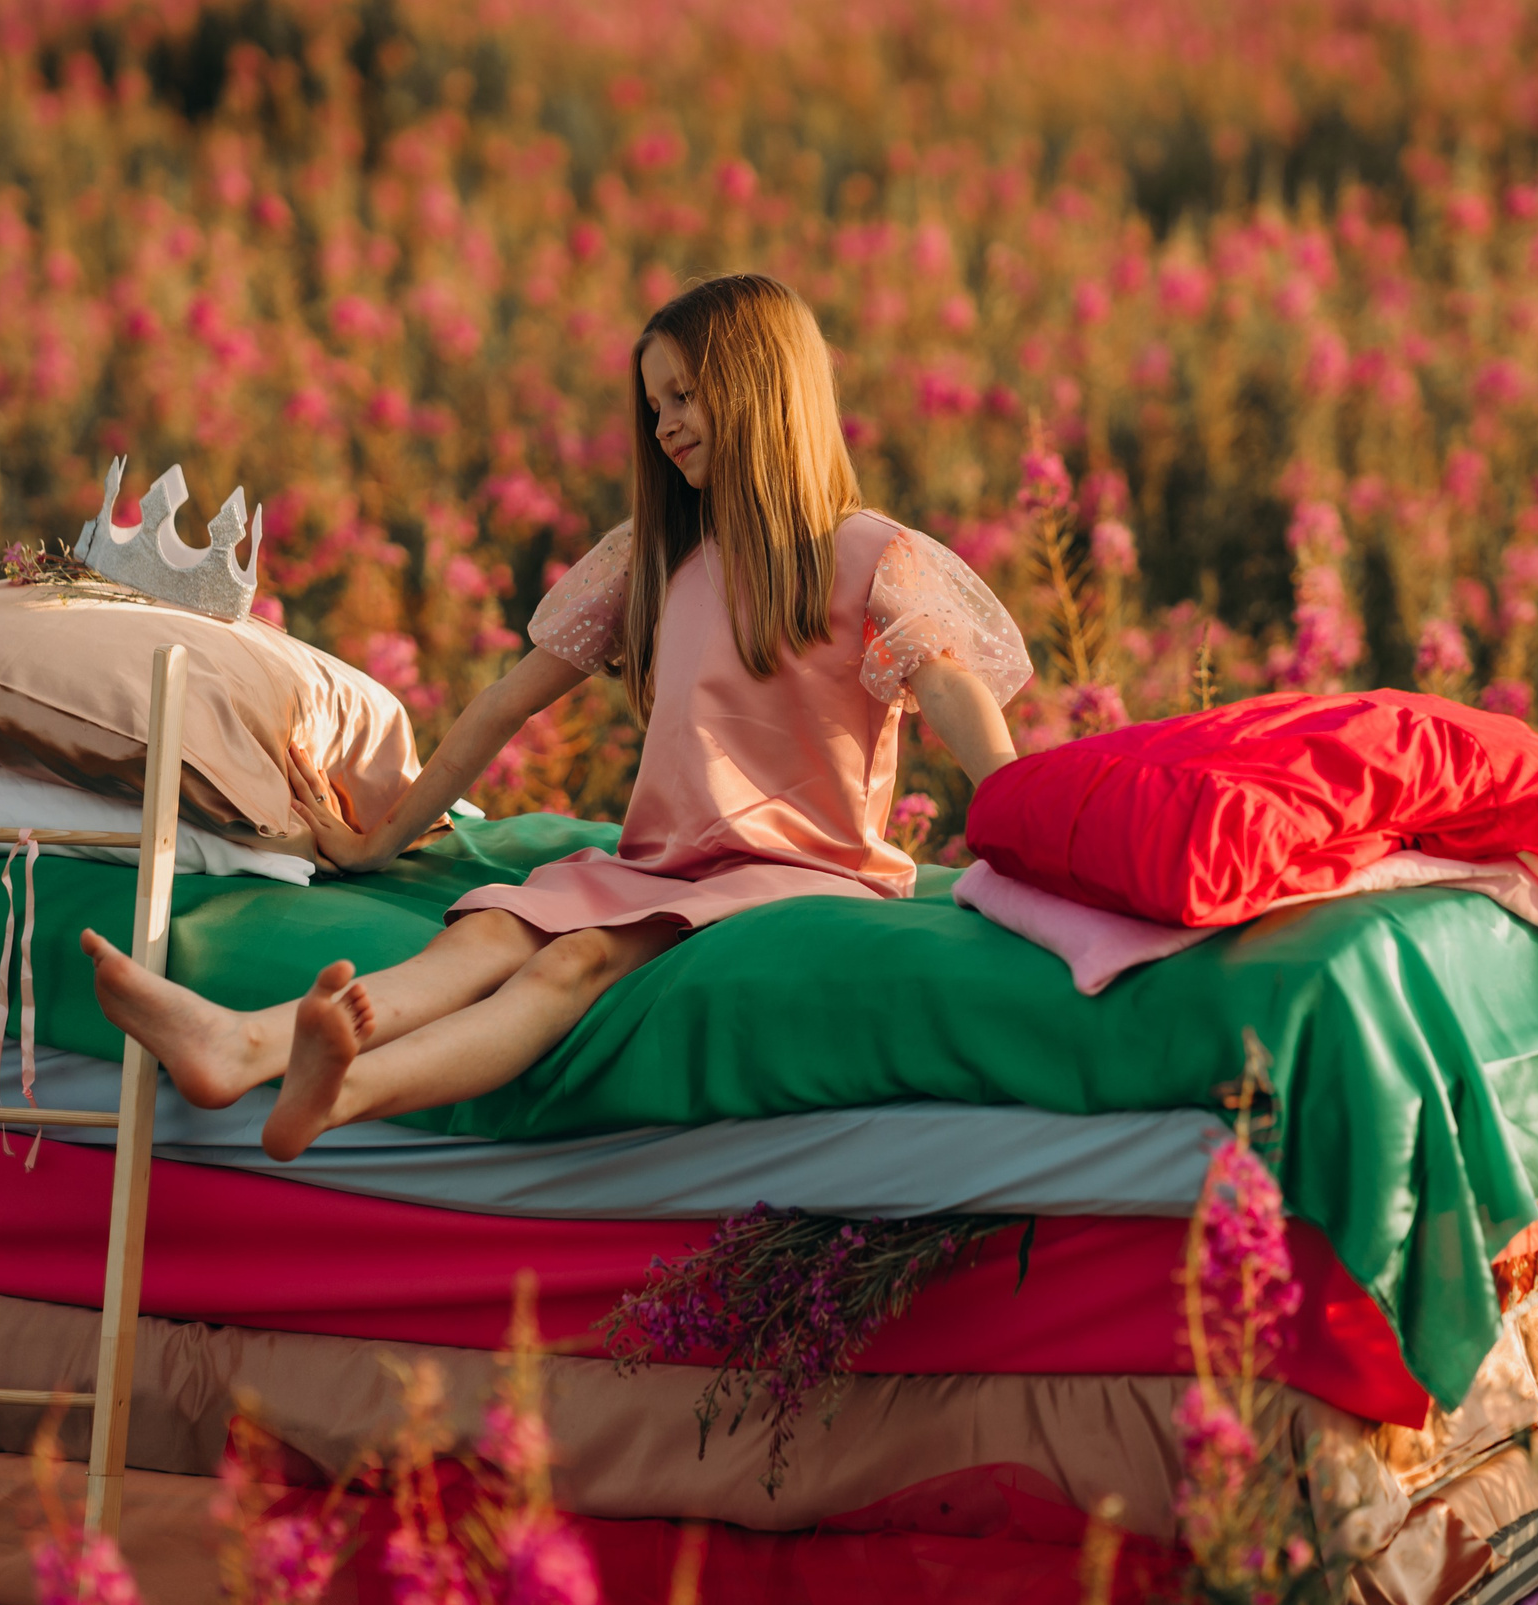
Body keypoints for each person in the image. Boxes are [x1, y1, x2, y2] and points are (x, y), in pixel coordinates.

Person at [83, 273, 1030, 1160]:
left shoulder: (871, 556)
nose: (665, 425)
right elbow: (506, 704)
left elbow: (952, 693)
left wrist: (1032, 823)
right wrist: (381, 841)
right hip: (662, 863)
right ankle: (244, 1045)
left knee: (568, 963)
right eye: (655, 406)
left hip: (803, 873)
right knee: (492, 929)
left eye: (686, 397)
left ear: (763, 389)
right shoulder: (654, 558)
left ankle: (342, 1094)